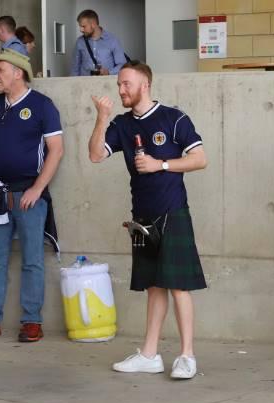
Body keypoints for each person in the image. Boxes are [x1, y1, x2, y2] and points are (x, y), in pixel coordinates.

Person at [88, 61, 207, 379]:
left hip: (173, 212)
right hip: (142, 217)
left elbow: (200, 159)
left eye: (126, 84)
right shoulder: (122, 124)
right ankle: (150, 355)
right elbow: (96, 155)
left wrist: (161, 165)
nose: (120, 90)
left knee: (178, 286)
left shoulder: (173, 118)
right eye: (119, 84)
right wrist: (101, 118)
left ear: (145, 85)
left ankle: (187, 356)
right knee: (154, 287)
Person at [0, 49, 64, 343]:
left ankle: (32, 321)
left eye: (0, 70)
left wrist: (37, 188)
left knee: (32, 260)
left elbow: (56, 150)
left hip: (29, 197)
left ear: (18, 73)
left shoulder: (42, 105)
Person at [71, 9, 127, 76]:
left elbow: (122, 65)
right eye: (80, 26)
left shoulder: (112, 40)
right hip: (84, 82)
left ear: (93, 24)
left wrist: (109, 72)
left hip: (106, 81)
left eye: (83, 26)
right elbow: (75, 68)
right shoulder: (80, 42)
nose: (81, 30)